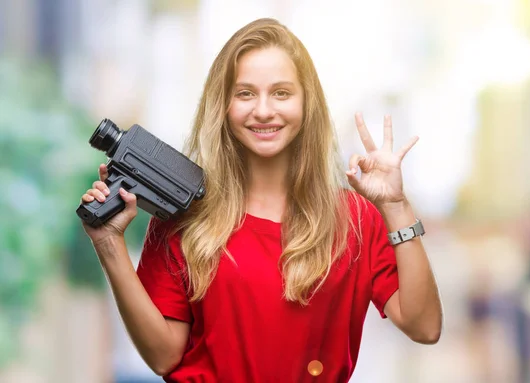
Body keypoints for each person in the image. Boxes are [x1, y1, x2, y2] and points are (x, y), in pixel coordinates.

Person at [80, 17, 443, 383]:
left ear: (307, 104)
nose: (264, 110)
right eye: (245, 93)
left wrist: (396, 207)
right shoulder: (183, 215)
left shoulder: (356, 219)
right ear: (223, 106)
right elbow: (163, 357)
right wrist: (109, 244)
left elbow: (424, 327)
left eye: (282, 93)